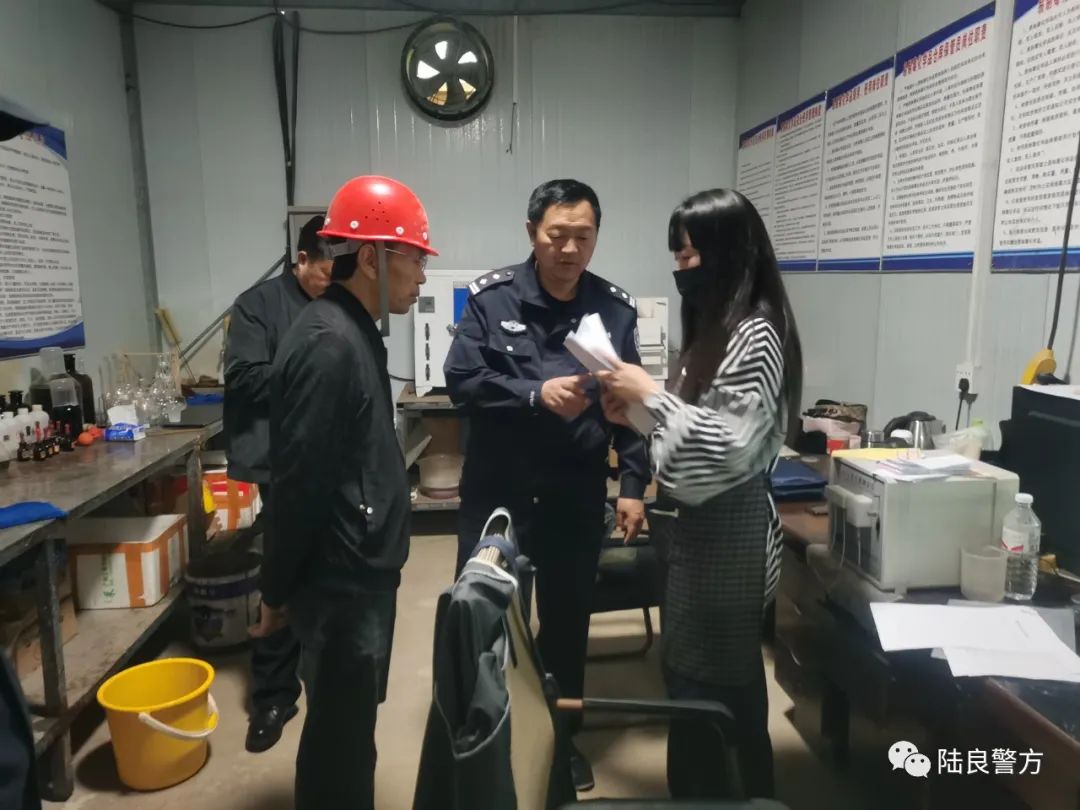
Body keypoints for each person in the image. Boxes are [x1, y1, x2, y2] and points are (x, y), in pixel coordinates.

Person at [444, 178, 649, 792]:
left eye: (583, 236)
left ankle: (562, 743)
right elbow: (461, 381)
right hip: (497, 495)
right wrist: (534, 394)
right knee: (487, 619)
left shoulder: (614, 309)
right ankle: (487, 738)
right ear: (532, 232)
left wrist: (632, 483)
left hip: (574, 494)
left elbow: (630, 404)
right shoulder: (492, 299)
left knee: (566, 623)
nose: (570, 249)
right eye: (557, 235)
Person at [598, 188, 802, 800]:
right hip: (693, 535)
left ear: (728, 252)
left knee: (715, 687)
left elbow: (719, 449)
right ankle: (707, 792)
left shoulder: (755, 334)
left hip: (726, 539)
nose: (681, 268)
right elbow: (688, 429)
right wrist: (638, 414)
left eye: (690, 256)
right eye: (676, 256)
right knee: (693, 677)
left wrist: (650, 397)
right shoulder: (715, 326)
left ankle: (736, 797)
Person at [250, 176, 434, 810]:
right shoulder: (330, 342)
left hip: (358, 566)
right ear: (373, 258)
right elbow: (298, 483)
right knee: (340, 741)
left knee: (349, 729)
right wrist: (276, 591)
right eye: (414, 259)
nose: (422, 276)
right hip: (342, 579)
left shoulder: (351, 330)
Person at [224, 215, 332, 754]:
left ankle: (328, 675)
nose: (332, 283)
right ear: (302, 260)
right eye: (325, 271)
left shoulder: (340, 302)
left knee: (330, 572)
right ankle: (273, 695)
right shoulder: (258, 306)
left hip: (333, 459)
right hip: (282, 463)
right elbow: (243, 377)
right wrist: (310, 371)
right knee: (281, 573)